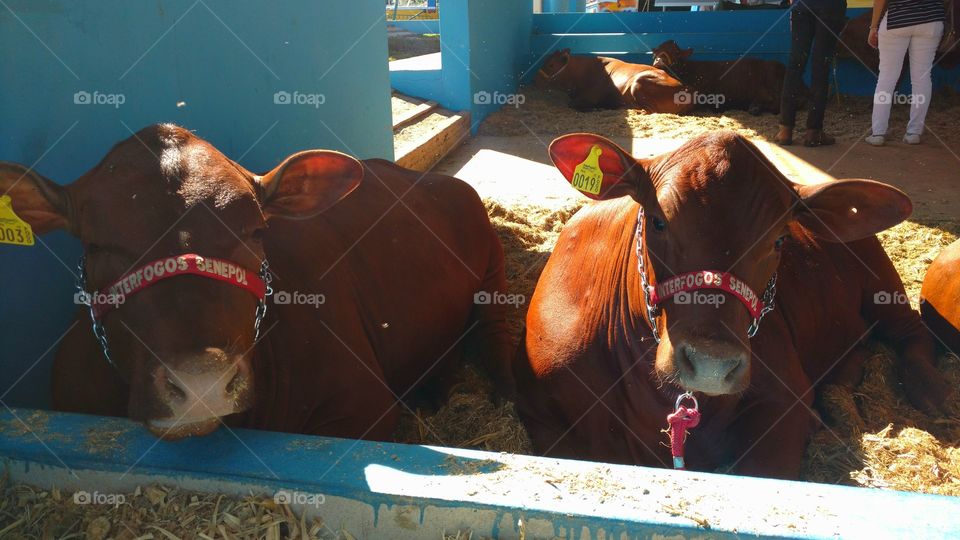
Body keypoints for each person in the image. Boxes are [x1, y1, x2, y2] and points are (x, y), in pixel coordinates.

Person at [865, 0, 945, 146]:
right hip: (931, 20)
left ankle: (878, 133)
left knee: (886, 77)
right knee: (922, 77)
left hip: (898, 19)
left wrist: (873, 26)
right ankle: (914, 132)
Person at [775, 0, 847, 147]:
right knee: (821, 64)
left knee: (796, 63)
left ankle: (785, 129)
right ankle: (813, 131)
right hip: (831, 7)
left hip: (802, 5)